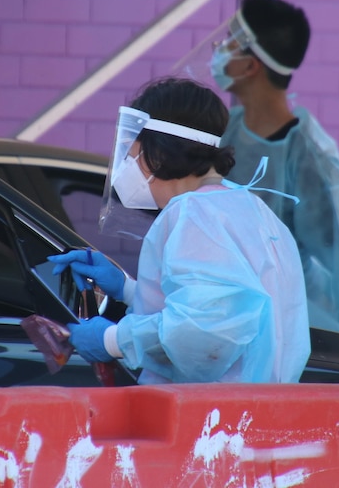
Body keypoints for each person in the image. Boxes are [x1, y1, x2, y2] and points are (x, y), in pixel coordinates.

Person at [48, 77, 311, 385]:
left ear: (159, 153)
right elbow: (229, 305)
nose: (126, 170)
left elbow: (203, 331)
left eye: (133, 157)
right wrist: (129, 289)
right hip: (252, 413)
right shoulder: (251, 208)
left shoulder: (193, 214)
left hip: (207, 420)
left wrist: (112, 340)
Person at [207, 0, 339, 344]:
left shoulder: (308, 154)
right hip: (220, 322)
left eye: (231, 41)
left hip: (284, 330)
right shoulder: (225, 131)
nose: (219, 48)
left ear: (251, 66)